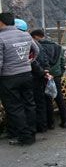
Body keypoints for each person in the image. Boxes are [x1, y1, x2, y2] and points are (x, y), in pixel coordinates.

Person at [0, 13, 39, 145]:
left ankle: (25, 136)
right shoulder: (25, 34)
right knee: (29, 104)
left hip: (9, 77)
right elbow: (36, 50)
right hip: (26, 74)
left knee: (15, 107)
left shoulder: (0, 37)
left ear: (1, 23)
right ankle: (32, 133)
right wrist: (27, 62)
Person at [30, 29, 66, 129]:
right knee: (59, 98)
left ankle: (50, 123)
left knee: (47, 100)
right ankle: (64, 120)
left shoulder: (38, 47)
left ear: (36, 37)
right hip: (56, 76)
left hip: (44, 76)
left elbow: (39, 61)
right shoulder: (58, 47)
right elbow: (63, 62)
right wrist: (60, 74)